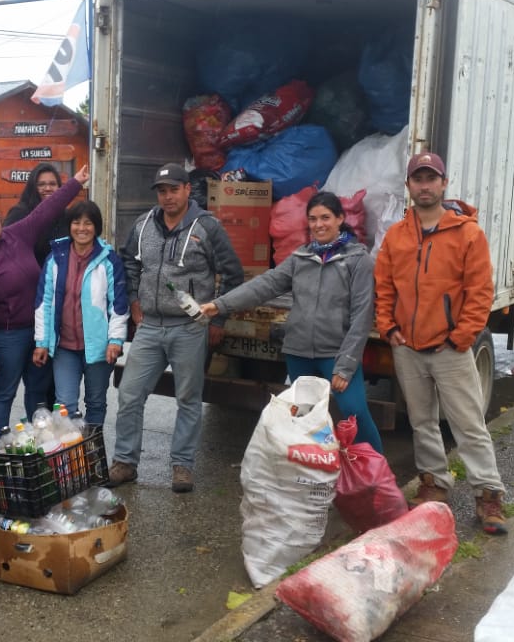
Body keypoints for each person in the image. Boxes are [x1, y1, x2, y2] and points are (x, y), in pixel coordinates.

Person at [374, 152, 508, 535]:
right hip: (408, 348)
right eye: (418, 179)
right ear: (409, 186)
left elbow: (480, 292)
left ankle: (488, 495)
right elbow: (383, 286)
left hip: (450, 348)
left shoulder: (467, 233)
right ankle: (434, 482)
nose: (425, 185)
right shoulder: (396, 236)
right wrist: (388, 328)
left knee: (469, 425)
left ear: (444, 184)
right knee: (422, 422)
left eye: (432, 178)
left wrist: (461, 337)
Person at [199, 190, 382, 451]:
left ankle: (377, 472)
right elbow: (265, 285)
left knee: (355, 412)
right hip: (299, 352)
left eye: (326, 217)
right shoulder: (301, 258)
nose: (319, 224)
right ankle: (312, 472)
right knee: (304, 419)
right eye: (313, 218)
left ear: (340, 218)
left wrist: (345, 365)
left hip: (335, 352)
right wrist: (220, 305)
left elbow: (362, 315)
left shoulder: (357, 260)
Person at [108, 162, 244, 493]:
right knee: (129, 394)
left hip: (190, 327)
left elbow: (232, 273)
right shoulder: (143, 225)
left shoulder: (207, 226)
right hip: (151, 326)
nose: (167, 197)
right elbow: (130, 262)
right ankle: (125, 462)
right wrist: (135, 301)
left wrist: (219, 317)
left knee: (188, 398)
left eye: (174, 189)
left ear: (187, 190)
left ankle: (182, 466)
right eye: (162, 191)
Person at [0, 165, 90, 435]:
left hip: (38, 329)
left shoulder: (16, 235)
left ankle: (39, 439)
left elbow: (47, 209)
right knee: (4, 391)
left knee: (38, 389)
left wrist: (75, 183)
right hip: (7, 337)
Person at [32, 200, 129, 430]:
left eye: (88, 223)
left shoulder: (109, 260)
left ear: (96, 227)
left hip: (98, 347)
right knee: (64, 406)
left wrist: (115, 340)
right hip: (64, 346)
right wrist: (42, 342)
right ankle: (70, 456)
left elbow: (119, 304)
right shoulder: (56, 258)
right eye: (76, 222)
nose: (82, 228)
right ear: (69, 226)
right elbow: (43, 302)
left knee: (95, 402)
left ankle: (90, 453)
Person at [3, 162, 65, 417]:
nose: (47, 188)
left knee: (54, 376)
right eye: (42, 184)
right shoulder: (19, 214)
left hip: (58, 303)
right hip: (28, 304)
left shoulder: (67, 216)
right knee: (34, 379)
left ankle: (55, 428)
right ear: (33, 186)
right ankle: (37, 427)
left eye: (52, 184)